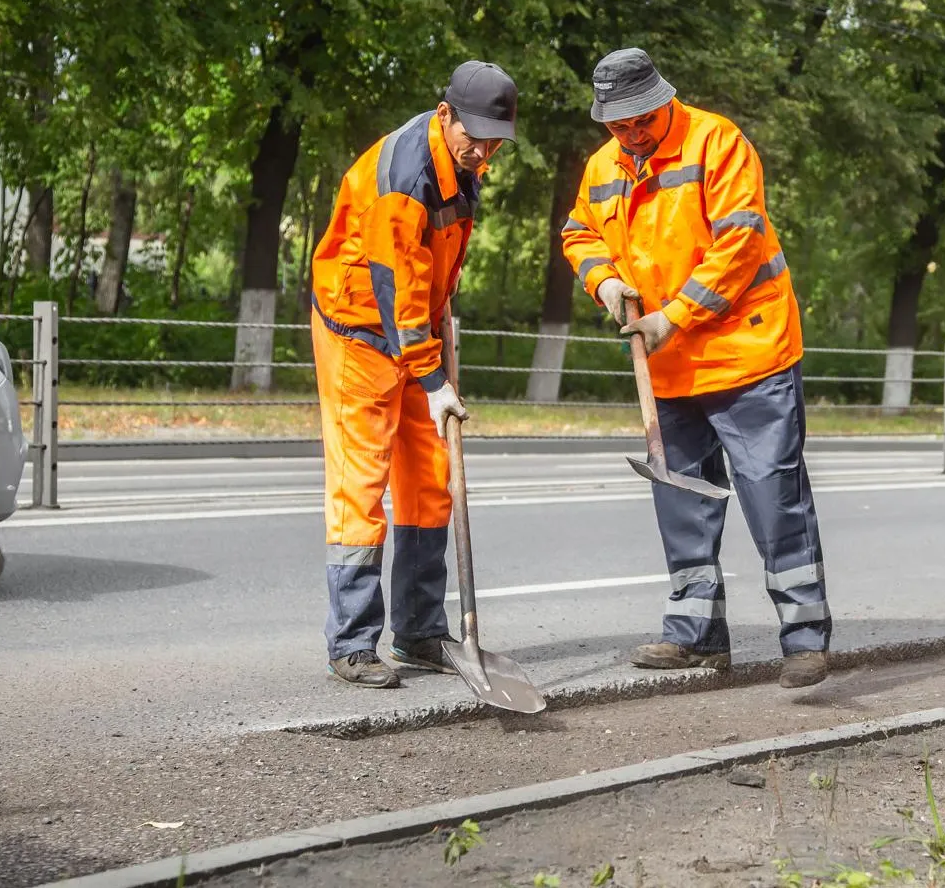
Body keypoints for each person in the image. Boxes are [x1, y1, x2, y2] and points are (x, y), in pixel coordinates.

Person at [560, 47, 832, 689]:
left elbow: (740, 245)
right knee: (681, 501)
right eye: (616, 124)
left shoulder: (717, 142)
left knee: (773, 498)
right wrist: (604, 284)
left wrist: (671, 316)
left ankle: (804, 640)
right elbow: (579, 233)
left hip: (748, 356)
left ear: (662, 100)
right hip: (669, 366)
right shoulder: (604, 165)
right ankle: (696, 636)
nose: (628, 134)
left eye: (638, 120)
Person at [309, 61, 517, 688]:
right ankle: (351, 644)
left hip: (416, 331)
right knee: (362, 485)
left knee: (430, 480)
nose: (482, 151)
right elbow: (395, 282)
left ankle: (420, 633)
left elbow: (431, 272)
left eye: (493, 141)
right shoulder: (405, 177)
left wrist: (437, 347)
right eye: (472, 137)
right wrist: (432, 380)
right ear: (444, 113)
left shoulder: (463, 166)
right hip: (360, 330)